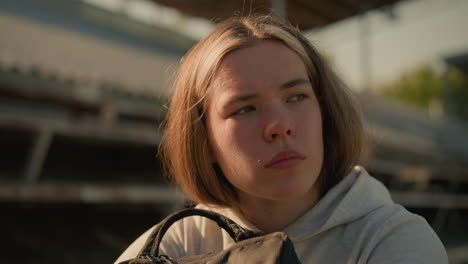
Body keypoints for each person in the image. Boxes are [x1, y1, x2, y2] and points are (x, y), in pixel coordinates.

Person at [116, 14, 448, 263]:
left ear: (325, 112)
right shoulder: (183, 240)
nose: (279, 125)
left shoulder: (394, 241)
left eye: (296, 97)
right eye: (244, 109)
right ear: (204, 143)